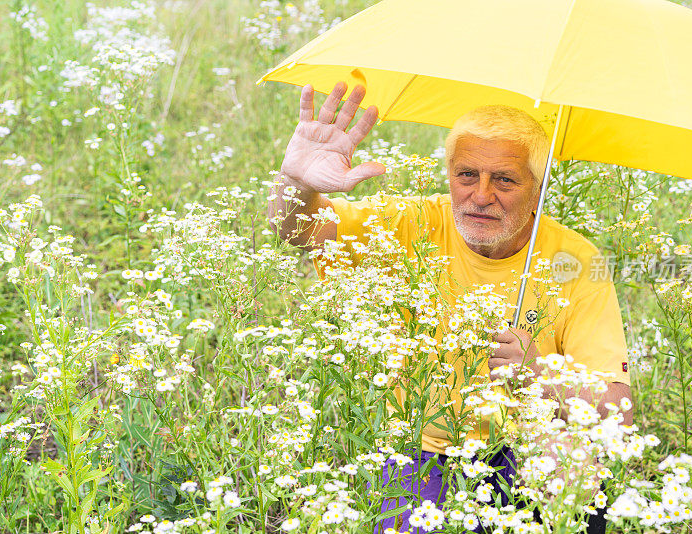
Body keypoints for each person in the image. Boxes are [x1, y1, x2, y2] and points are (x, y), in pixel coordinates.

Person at [268, 81, 632, 532]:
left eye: (504, 179)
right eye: (466, 175)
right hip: (425, 449)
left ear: (538, 188)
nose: (480, 196)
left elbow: (617, 412)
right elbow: (299, 231)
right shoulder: (412, 223)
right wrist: (296, 182)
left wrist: (538, 372)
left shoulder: (574, 260)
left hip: (530, 444)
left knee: (574, 474)